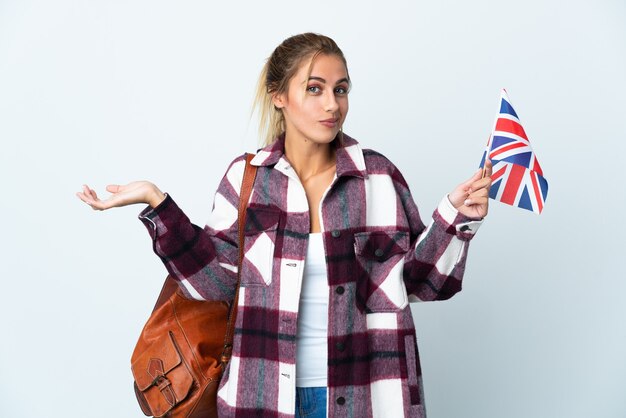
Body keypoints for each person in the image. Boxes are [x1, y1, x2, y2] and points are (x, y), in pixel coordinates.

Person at [77, 32, 492, 418]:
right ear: (279, 97)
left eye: (340, 89)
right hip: (263, 399)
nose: (332, 104)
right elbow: (214, 285)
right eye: (314, 89)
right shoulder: (247, 179)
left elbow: (421, 284)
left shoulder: (378, 178)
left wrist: (455, 219)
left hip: (368, 394)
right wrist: (157, 203)